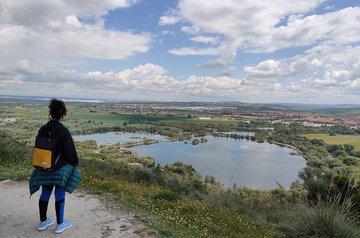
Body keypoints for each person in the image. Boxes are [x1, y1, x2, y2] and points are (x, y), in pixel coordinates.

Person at [29, 98, 82, 234]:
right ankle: (60, 224)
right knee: (59, 193)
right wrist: (75, 163)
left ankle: (43, 222)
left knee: (45, 192)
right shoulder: (63, 131)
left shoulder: (43, 129)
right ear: (62, 114)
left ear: (51, 113)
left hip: (44, 167)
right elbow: (70, 153)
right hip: (59, 169)